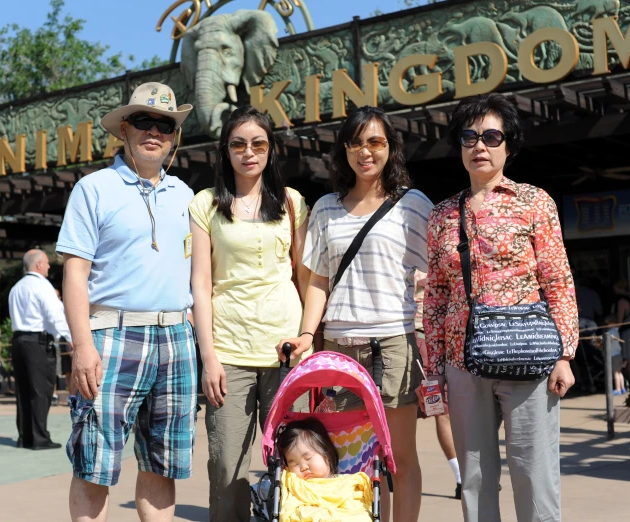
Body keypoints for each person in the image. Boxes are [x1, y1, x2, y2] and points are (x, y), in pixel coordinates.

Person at [423, 93, 578, 522]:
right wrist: (435, 370)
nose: (480, 146)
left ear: (509, 144)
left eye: (492, 136)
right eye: (469, 137)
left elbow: (558, 281)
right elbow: (435, 296)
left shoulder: (535, 202)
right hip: (462, 361)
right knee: (474, 476)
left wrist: (565, 354)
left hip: (528, 356)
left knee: (534, 473)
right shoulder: (441, 215)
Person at [278, 105, 433, 522]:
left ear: (390, 148)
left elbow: (437, 273)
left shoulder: (413, 205)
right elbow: (318, 282)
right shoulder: (327, 207)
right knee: (347, 454)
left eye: (376, 142)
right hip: (339, 349)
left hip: (393, 344)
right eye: (356, 143)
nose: (366, 152)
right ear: (344, 150)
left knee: (399, 456)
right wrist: (308, 336)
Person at [57, 81, 197, 522]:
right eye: (143, 121)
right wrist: (82, 346)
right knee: (95, 464)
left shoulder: (187, 197)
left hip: (176, 335)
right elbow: (74, 273)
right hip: (111, 334)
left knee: (162, 464)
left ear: (174, 135)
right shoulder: (93, 188)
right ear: (124, 129)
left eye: (165, 124)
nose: (153, 131)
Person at [190, 106, 310, 522]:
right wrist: (209, 357)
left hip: (286, 349)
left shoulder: (292, 203)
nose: (249, 152)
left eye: (258, 143)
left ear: (271, 149)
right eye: (238, 144)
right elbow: (200, 286)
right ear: (225, 151)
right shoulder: (205, 204)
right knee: (227, 467)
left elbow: (307, 278)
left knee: (297, 459)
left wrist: (309, 337)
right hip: (229, 351)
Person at [9, 249, 71, 450]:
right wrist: (71, 338)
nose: (49, 266)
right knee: (41, 390)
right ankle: (39, 438)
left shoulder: (16, 287)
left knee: (24, 390)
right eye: (46, 263)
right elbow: (55, 315)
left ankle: (25, 436)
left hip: (19, 340)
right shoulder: (42, 286)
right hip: (37, 342)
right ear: (38, 265)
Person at [413, 269, 461, 499]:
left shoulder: (442, 242)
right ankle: (392, 469)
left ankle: (461, 477)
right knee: (401, 411)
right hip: (408, 335)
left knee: (441, 409)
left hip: (437, 340)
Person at [603, 314, 626, 395]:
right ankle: (622, 388)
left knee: (615, 373)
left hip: (613, 355)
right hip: (618, 354)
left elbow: (608, 340)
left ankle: (617, 389)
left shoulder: (611, 332)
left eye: (608, 323)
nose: (607, 325)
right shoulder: (616, 331)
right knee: (620, 373)